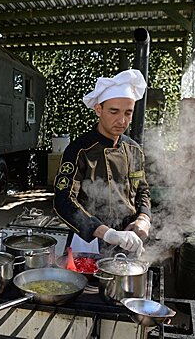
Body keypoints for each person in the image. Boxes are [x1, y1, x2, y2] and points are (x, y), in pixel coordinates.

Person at [53, 69, 152, 256]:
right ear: (99, 110)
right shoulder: (79, 150)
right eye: (114, 111)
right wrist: (107, 233)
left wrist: (143, 219)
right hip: (88, 240)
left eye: (128, 113)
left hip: (128, 239)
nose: (122, 120)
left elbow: (142, 191)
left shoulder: (135, 150)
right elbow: (63, 201)